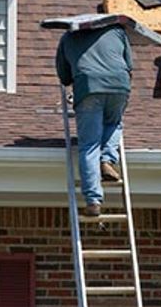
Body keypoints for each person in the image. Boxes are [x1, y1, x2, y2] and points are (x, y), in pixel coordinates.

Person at [56, 24, 133, 216]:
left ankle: (93, 201)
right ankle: (107, 159)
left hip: (88, 86)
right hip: (119, 84)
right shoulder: (116, 31)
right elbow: (129, 65)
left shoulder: (68, 37)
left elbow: (64, 77)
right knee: (114, 122)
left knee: (90, 144)